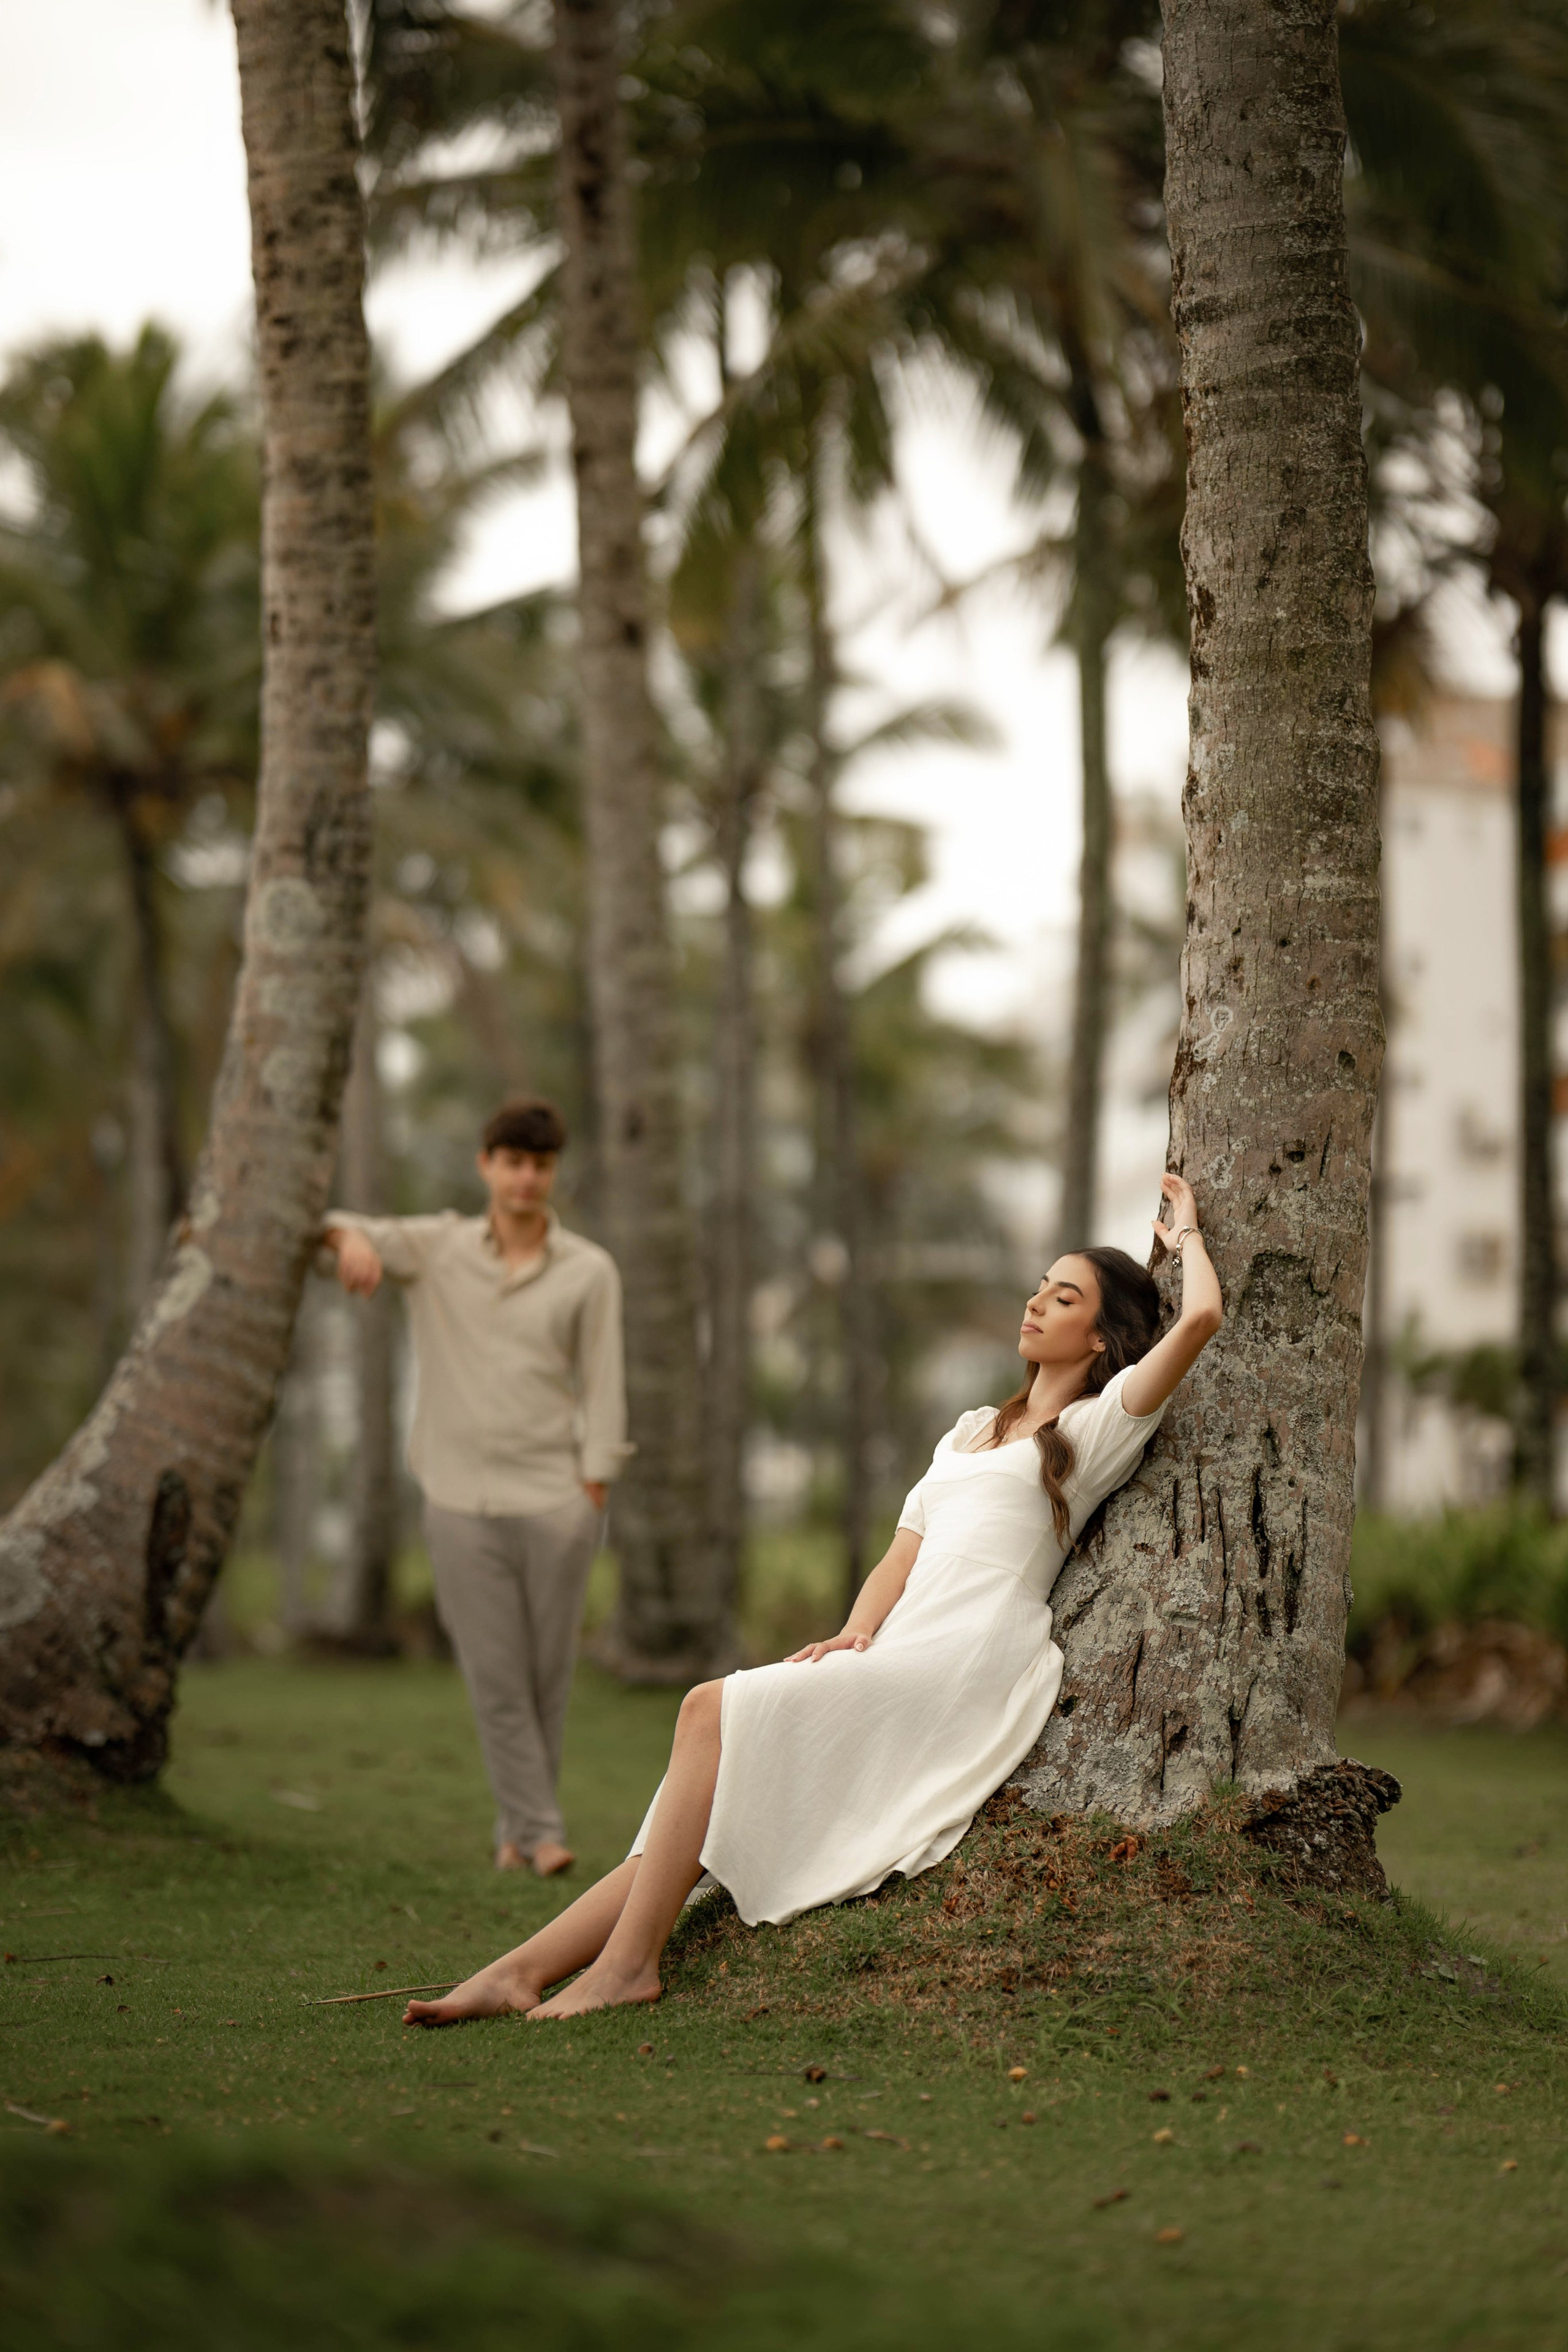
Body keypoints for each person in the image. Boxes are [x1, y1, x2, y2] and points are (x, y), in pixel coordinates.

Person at [405, 1168, 1221, 2026]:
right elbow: (900, 1555)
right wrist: (854, 1633)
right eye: (1039, 1287)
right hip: (900, 1648)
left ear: (1101, 1337)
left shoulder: (1096, 1427)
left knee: (707, 1708)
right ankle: (519, 1971)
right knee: (710, 1779)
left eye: (1063, 1298)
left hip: (966, 1662)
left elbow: (1200, 1318)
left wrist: (1187, 1237)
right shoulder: (972, 1430)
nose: (1035, 1303)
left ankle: (628, 1967)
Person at [322, 1096, 630, 1879]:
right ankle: (544, 1834)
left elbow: (603, 1381)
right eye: (513, 1162)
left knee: (544, 1677)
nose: (526, 1178)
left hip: (557, 1499)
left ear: (553, 1172)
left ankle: (515, 1835)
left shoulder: (589, 1270)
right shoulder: (437, 1248)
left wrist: (594, 1484)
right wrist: (351, 1240)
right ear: (485, 1165)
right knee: (495, 1676)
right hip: (459, 1499)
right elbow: (332, 1225)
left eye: (541, 1164)